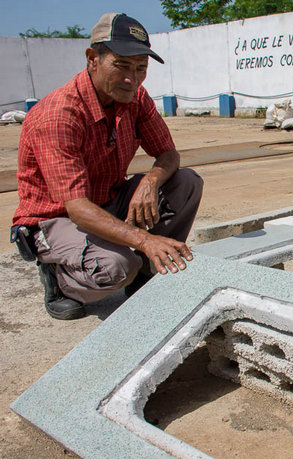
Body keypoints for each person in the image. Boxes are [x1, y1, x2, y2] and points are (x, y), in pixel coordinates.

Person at [11, 13, 203, 320]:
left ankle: (146, 270)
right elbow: (76, 207)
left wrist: (151, 181)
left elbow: (168, 154)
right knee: (116, 268)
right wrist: (144, 239)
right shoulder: (60, 115)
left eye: (141, 68)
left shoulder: (135, 98)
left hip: (106, 201)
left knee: (186, 183)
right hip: (57, 218)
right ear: (93, 59)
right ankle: (61, 279)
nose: (133, 78)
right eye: (122, 65)